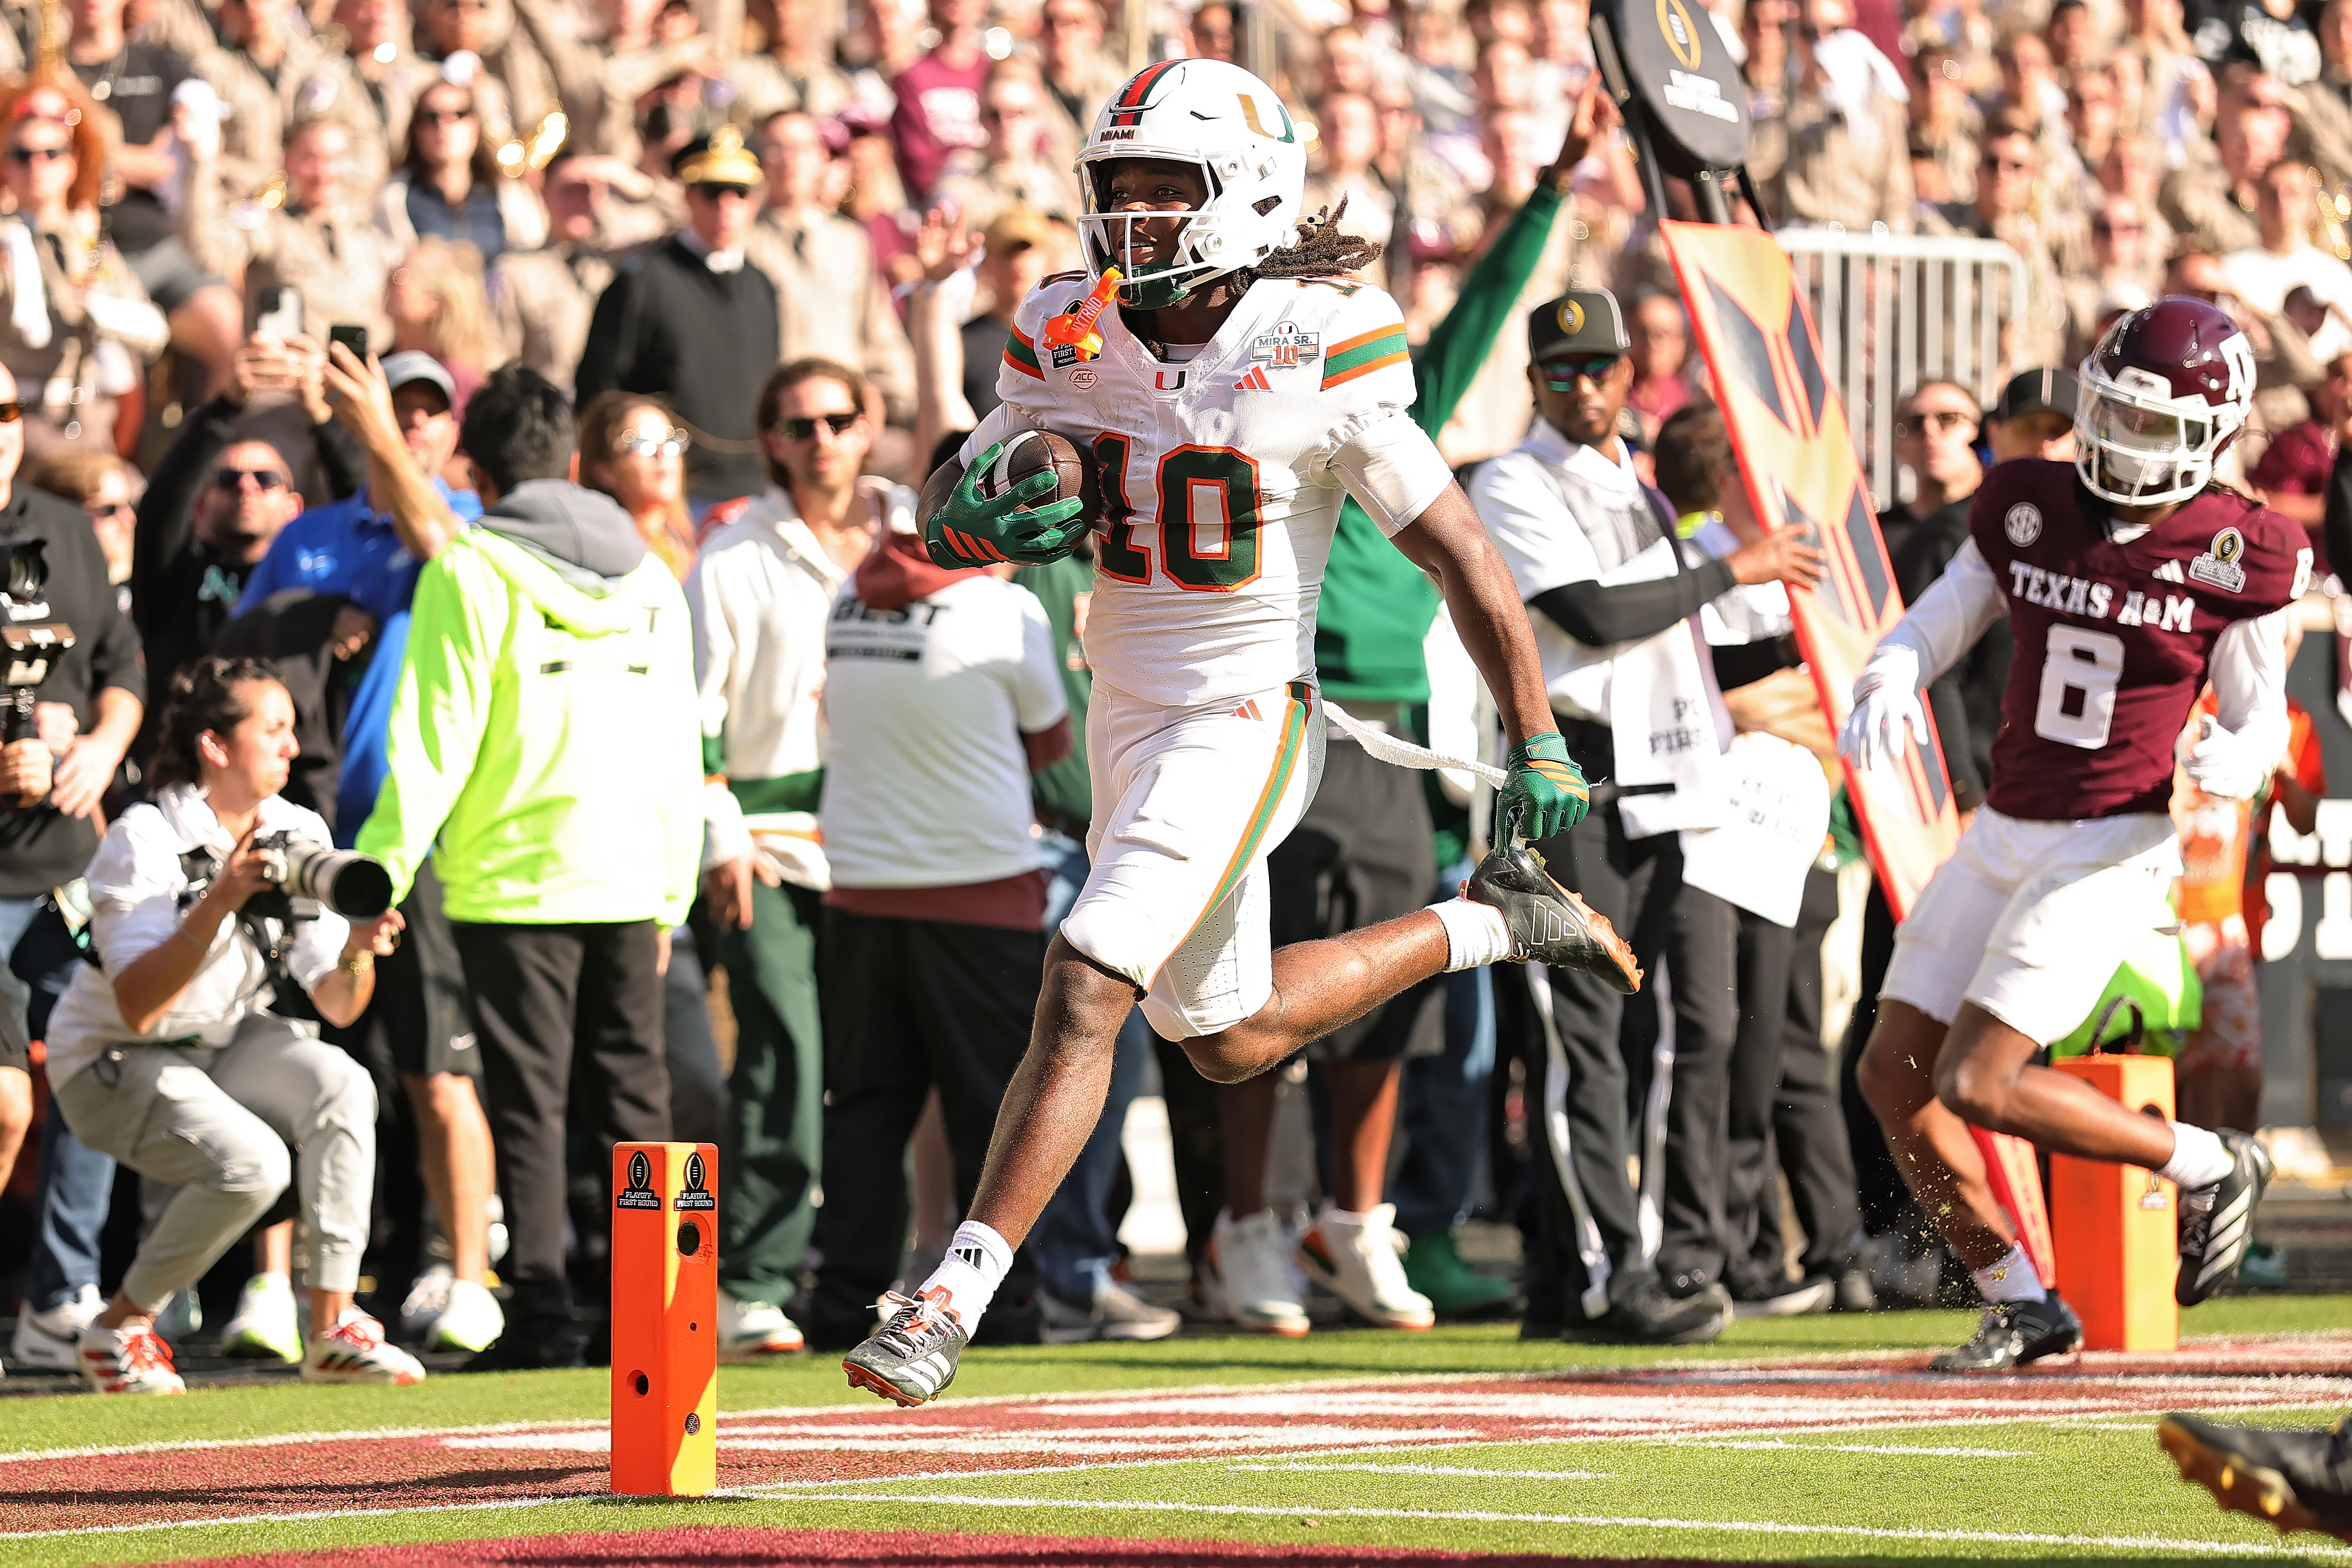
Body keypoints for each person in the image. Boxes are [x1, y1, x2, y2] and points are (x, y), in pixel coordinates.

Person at [842, 58, 1631, 1407]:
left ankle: (945, 1294)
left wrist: (1535, 733)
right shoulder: (1063, 326)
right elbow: (947, 499)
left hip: (1246, 710)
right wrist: (973, 517)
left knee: (1087, 978)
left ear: (1244, 195)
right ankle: (1499, 922)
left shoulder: (1322, 334)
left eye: (1166, 187)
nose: (1133, 215)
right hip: (1129, 717)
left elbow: (1460, 553)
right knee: (1231, 1033)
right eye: (1118, 186)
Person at [1843, 297, 2306, 1372]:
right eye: (2108, 413)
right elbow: (1953, 606)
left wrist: (2234, 763)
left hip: (2109, 839)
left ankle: (2206, 1159)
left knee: (1981, 1079)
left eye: (2149, 425)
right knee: (1891, 1071)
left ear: (2210, 433)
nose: (2115, 442)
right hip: (2004, 820)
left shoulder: (2241, 549)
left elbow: (2252, 718)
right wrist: (1895, 664)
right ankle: (2024, 1302)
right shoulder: (2030, 498)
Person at [1471, 289, 1824, 1341]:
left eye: (1600, 367)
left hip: (1671, 770)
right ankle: (1599, 1274)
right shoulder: (1509, 477)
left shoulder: (1639, 480)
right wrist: (1729, 564)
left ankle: (1675, 1254)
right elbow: (1588, 612)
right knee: (1586, 1037)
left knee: (1688, 1027)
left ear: (1632, 374)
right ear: (1532, 381)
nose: (1583, 387)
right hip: (1564, 770)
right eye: (1561, 371)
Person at [355, 365, 700, 1368]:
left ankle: (544, 1313)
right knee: (639, 1104)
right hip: (634, 877)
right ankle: (660, 1311)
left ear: (477, 465)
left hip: (512, 881)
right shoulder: (648, 574)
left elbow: (430, 745)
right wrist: (672, 886)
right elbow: (680, 743)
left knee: (530, 1105)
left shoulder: (470, 567)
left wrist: (379, 872)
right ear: (574, 460)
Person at [46, 656, 422, 1394]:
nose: (293, 747)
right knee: (256, 1165)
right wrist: (219, 898)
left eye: (293, 730)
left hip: (217, 1042)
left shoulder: (297, 828)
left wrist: (354, 948)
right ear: (216, 746)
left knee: (345, 1085)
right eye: (274, 729)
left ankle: (333, 1328)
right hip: (109, 1056)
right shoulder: (145, 835)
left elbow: (340, 1005)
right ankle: (118, 1328)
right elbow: (139, 1006)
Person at [226, 347, 499, 1354]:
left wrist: (370, 423)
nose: (412, 424)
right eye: (399, 410)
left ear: (451, 430)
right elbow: (242, 661)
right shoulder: (307, 537)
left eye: (430, 411)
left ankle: (468, 1275)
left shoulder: (467, 521)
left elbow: (435, 540)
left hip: (416, 832)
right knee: (288, 1052)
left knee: (436, 1066)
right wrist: (310, 625)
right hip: (303, 826)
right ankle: (274, 1290)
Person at [804, 475, 1072, 1350]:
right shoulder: (1006, 612)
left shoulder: (851, 593)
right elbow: (1050, 740)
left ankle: (842, 1293)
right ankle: (1008, 1299)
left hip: (859, 883)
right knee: (989, 1107)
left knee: (865, 1106)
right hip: (981, 885)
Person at [688, 359, 892, 1357]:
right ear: (770, 438)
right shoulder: (730, 554)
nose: (819, 439)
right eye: (797, 423)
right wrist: (718, 831)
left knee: (873, 1068)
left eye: (837, 419)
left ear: (871, 424)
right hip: (764, 836)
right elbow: (688, 717)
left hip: (890, 835)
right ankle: (753, 1276)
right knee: (782, 1053)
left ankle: (857, 1273)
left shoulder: (915, 529)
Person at [0, 361, 146, 1376]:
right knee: (5, 1102)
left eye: (4, 408)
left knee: (100, 1064)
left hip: (65, 863)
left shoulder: (62, 528)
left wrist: (99, 745)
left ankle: (61, 1294)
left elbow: (124, 669)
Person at [574, 388, 727, 1162]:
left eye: (671, 436)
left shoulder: (704, 546)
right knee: (660, 1060)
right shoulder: (594, 569)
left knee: (706, 1070)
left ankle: (697, 1255)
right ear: (598, 466)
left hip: (710, 811)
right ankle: (609, 1245)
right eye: (641, 442)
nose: (664, 452)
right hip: (631, 836)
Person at [129, 332, 363, 765]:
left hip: (287, 785)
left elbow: (369, 509)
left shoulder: (315, 578)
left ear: (295, 506)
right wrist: (227, 404)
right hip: (186, 777)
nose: (246, 488)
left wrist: (320, 414)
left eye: (266, 479)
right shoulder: (175, 577)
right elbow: (162, 504)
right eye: (227, 479)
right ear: (200, 506)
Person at [576, 127, 778, 511]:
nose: (727, 206)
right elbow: (602, 393)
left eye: (740, 192)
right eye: (712, 191)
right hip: (669, 493)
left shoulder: (762, 285)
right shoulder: (641, 281)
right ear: (687, 194)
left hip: (756, 488)